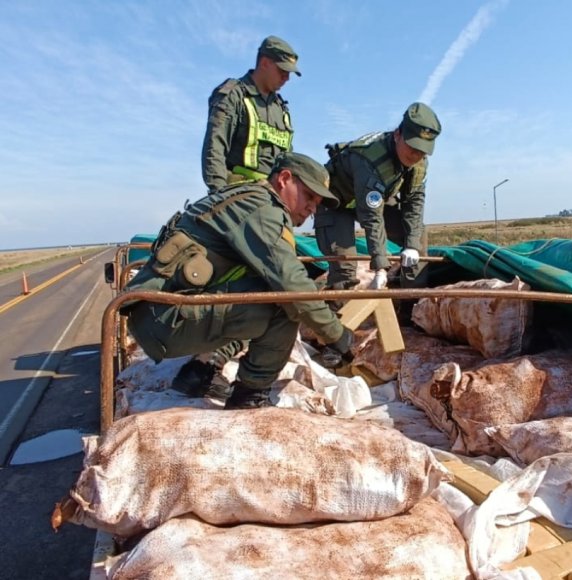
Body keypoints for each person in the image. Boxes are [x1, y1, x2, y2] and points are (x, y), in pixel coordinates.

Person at [123, 152, 353, 409]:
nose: (313, 208)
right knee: (283, 305)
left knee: (266, 290)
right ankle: (250, 396)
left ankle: (200, 372)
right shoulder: (262, 210)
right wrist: (337, 336)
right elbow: (292, 285)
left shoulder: (251, 198)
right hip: (163, 319)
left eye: (318, 202)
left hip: (159, 312)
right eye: (309, 196)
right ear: (285, 179)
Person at [314, 102, 441, 291]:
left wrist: (412, 246)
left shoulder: (419, 164)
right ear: (398, 135)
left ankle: (411, 308)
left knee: (416, 235)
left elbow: (414, 205)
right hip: (336, 203)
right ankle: (338, 316)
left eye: (422, 151)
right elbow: (371, 217)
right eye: (412, 147)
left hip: (372, 201)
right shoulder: (370, 160)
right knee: (344, 266)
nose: (416, 155)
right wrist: (381, 266)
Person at [201, 35, 300, 193]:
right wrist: (218, 195)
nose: (287, 78)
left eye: (289, 73)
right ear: (265, 63)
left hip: (273, 199)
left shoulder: (281, 109)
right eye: (282, 70)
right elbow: (215, 148)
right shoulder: (233, 95)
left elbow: (287, 162)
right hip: (238, 195)